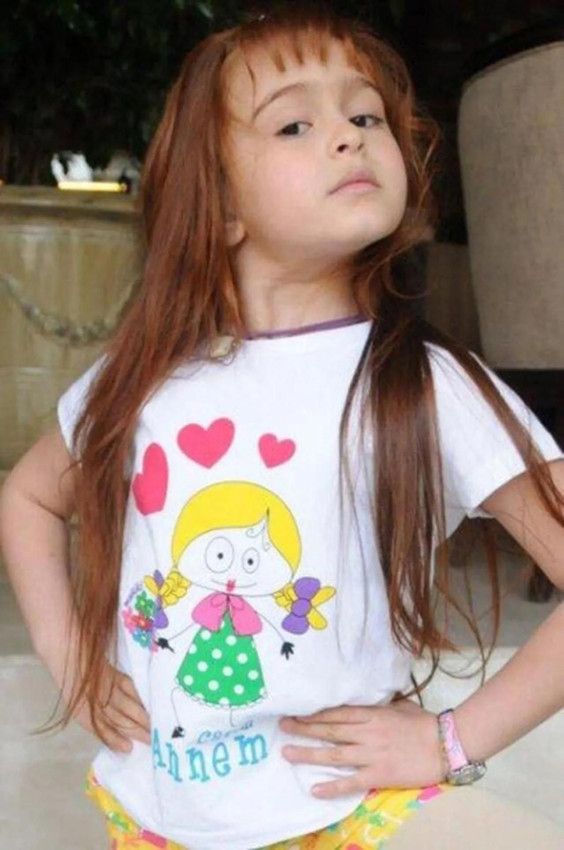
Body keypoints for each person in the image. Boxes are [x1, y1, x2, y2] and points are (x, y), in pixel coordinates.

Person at [1, 3, 563, 849]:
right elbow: (31, 497)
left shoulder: (423, 384)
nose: (347, 137)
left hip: (341, 812)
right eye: (295, 124)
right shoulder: (144, 379)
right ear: (220, 204)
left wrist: (451, 742)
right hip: (151, 814)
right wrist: (73, 658)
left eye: (365, 116)